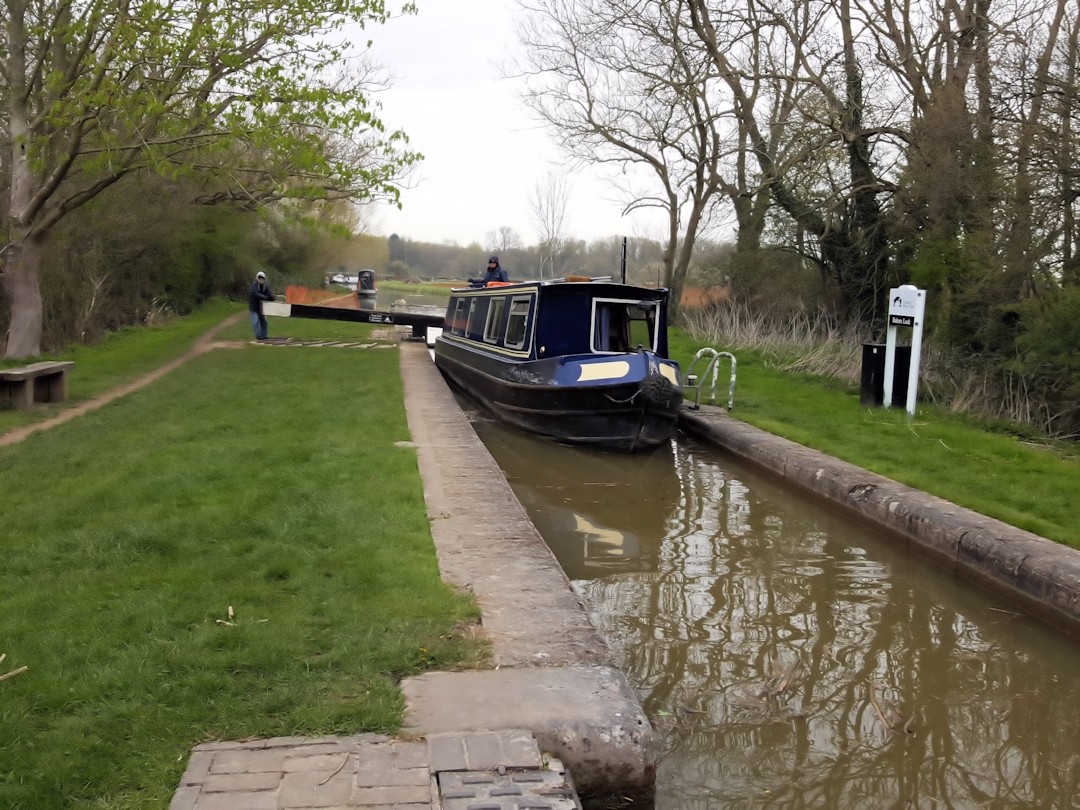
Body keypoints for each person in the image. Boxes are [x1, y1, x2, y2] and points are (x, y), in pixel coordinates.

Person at [248, 271, 274, 340]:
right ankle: (258, 335)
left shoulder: (266, 286)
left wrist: (271, 297)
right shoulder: (254, 285)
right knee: (255, 321)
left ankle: (264, 335)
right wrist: (266, 297)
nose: (261, 279)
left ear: (264, 279)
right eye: (259, 277)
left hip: (262, 307)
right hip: (254, 307)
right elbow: (255, 294)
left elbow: (269, 294)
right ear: (257, 278)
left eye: (262, 278)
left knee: (264, 321)